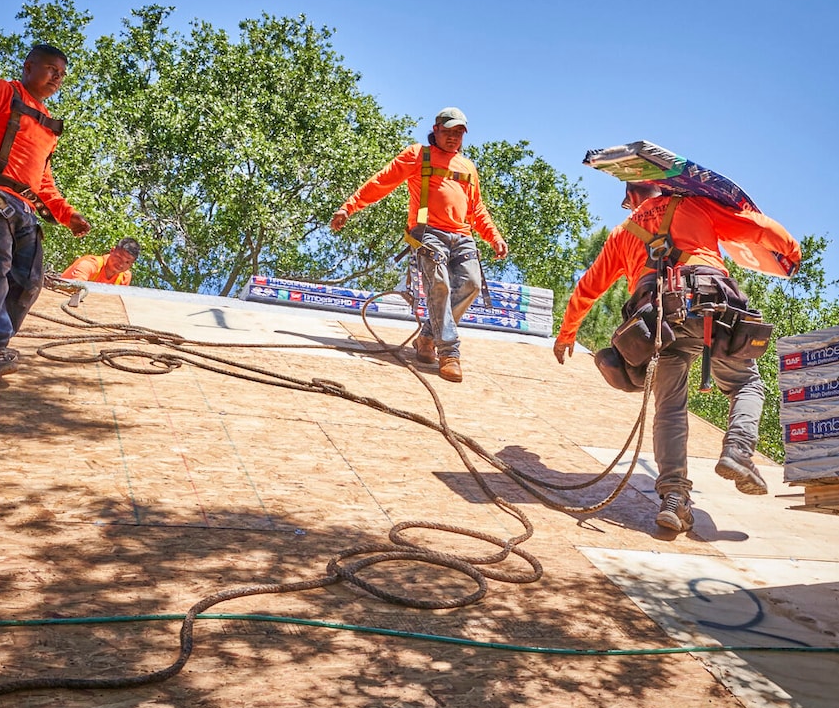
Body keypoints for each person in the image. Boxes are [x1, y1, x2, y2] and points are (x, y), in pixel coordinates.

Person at [552, 182, 801, 534]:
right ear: (663, 185)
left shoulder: (622, 233)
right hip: (710, 306)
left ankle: (673, 497)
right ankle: (738, 451)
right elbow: (759, 227)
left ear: (631, 198)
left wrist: (567, 334)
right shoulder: (695, 206)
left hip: (658, 322)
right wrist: (792, 251)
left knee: (669, 408)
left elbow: (588, 288)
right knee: (745, 382)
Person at [330, 107, 508, 383]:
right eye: (448, 131)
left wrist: (494, 237)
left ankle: (426, 337)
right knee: (439, 285)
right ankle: (449, 352)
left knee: (471, 285)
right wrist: (349, 207)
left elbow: (477, 208)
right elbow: (381, 182)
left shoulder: (468, 166)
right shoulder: (418, 155)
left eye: (458, 133)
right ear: (436, 129)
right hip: (428, 233)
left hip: (463, 236)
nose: (453, 138)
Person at [0, 44, 92, 377]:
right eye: (51, 69)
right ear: (28, 67)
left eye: (62, 74)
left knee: (29, 282)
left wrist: (67, 215)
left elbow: (43, 182)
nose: (58, 77)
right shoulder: (2, 90)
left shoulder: (47, 128)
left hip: (24, 211)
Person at [62, 238, 141, 286]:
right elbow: (76, 286)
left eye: (127, 262)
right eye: (119, 258)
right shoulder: (91, 264)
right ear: (112, 251)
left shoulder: (125, 277)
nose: (121, 264)